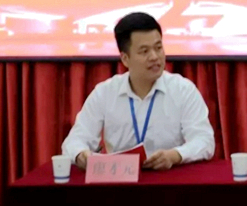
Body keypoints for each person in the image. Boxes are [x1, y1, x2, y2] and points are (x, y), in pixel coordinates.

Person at [62, 12, 215, 170]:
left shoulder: (183, 90)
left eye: (158, 48)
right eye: (144, 51)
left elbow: (204, 140)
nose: (154, 57)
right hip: (119, 179)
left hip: (169, 177)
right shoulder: (105, 93)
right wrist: (81, 155)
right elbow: (74, 141)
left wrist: (175, 155)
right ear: (125, 59)